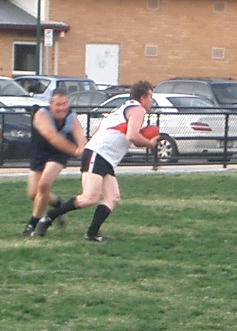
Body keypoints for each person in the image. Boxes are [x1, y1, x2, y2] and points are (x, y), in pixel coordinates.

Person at [34, 80, 159, 242]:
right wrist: (150, 143)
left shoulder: (125, 107)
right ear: (142, 98)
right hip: (98, 154)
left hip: (104, 157)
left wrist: (143, 140)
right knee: (89, 198)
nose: (151, 101)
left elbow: (122, 135)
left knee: (113, 198)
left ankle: (91, 234)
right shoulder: (138, 109)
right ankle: (49, 217)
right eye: (150, 97)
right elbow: (132, 136)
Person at [21, 89, 87, 237]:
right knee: (33, 193)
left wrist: (83, 148)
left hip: (59, 154)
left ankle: (32, 226)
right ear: (51, 104)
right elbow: (52, 138)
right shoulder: (41, 115)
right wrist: (75, 150)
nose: (62, 108)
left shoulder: (72, 117)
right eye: (58, 104)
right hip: (40, 152)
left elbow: (81, 139)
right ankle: (59, 204)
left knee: (44, 185)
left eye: (64, 104)